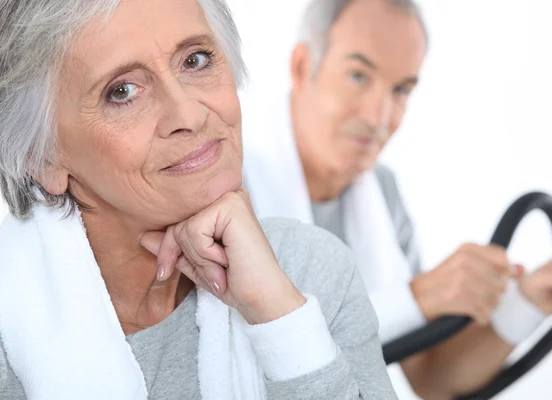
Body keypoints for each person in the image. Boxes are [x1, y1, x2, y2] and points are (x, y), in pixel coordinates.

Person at [0, 0, 399, 399]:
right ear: (43, 157)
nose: (189, 115)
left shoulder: (308, 271)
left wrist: (278, 316)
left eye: (195, 60)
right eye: (122, 92)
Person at [241, 0, 552, 398]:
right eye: (359, 76)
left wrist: (527, 301)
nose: (380, 118)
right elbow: (234, 366)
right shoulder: (225, 189)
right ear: (302, 66)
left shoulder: (383, 193)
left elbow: (431, 379)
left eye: (401, 89)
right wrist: (418, 298)